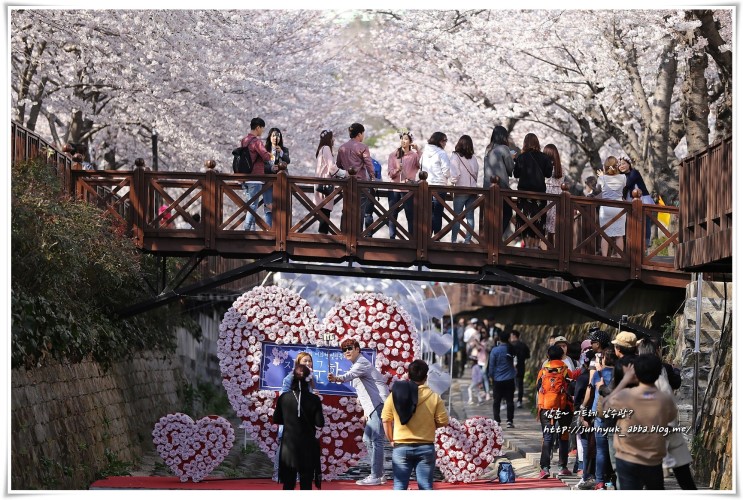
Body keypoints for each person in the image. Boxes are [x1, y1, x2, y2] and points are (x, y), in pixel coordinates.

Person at [604, 354, 678, 490]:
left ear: (635, 373)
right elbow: (671, 420)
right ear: (658, 374)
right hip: (653, 459)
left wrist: (624, 381)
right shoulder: (665, 399)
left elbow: (605, 406)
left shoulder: (625, 396)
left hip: (627, 457)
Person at [328, 338, 389, 486]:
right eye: (344, 350)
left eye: (350, 348)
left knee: (376, 440)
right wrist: (365, 410)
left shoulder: (361, 363)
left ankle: (375, 475)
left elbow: (348, 376)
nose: (347, 351)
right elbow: (363, 391)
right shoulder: (358, 364)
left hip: (378, 405)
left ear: (357, 349)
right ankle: (379, 474)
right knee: (368, 439)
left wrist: (336, 378)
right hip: (373, 406)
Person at [637, 337, 696, 489]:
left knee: (655, 481)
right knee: (682, 477)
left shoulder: (639, 374)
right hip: (664, 432)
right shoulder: (662, 372)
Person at [381, 359, 449, 490]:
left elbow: (385, 420)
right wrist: (429, 424)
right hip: (426, 446)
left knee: (400, 486)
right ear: (426, 377)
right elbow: (443, 421)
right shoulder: (434, 397)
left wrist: (391, 439)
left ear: (408, 375)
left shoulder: (395, 395)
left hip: (401, 446)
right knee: (425, 487)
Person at [273, 364, 324, 490]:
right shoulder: (314, 399)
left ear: (293, 378)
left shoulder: (284, 397)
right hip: (307, 445)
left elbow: (277, 419)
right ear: (309, 379)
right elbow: (319, 423)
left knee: (288, 483)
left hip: (288, 446)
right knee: (306, 482)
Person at [537, 344, 574, 479]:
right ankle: (562, 467)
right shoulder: (565, 371)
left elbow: (538, 388)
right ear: (561, 356)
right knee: (563, 436)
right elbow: (571, 389)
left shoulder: (543, 371)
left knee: (547, 437)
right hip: (563, 408)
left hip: (546, 407)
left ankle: (545, 468)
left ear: (548, 356)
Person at [513, 133, 553, 248]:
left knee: (524, 222)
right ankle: (535, 247)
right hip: (539, 196)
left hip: (524, 196)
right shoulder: (544, 157)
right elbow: (548, 174)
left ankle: (527, 246)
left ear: (525, 143)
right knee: (538, 223)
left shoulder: (521, 157)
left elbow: (516, 174)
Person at [336, 123, 375, 229]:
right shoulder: (363, 147)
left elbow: (338, 165)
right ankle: (357, 234)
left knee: (346, 208)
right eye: (363, 133)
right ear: (359, 134)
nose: (363, 136)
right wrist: (372, 177)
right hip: (360, 183)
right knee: (360, 210)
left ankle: (344, 232)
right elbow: (369, 164)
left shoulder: (341, 148)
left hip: (346, 183)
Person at [387, 130, 421, 239]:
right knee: (392, 215)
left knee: (410, 215)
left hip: (409, 189)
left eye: (406, 139)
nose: (403, 141)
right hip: (394, 188)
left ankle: (411, 238)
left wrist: (418, 150)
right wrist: (397, 170)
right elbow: (390, 173)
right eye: (402, 138)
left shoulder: (414, 155)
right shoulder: (393, 155)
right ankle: (392, 238)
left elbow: (422, 165)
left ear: (410, 141)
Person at [241, 117, 272, 231]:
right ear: (258, 127)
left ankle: (252, 228)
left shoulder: (244, 140)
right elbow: (265, 156)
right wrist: (270, 155)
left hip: (245, 176)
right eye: (262, 129)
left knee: (250, 202)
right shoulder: (256, 141)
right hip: (255, 177)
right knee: (253, 205)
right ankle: (247, 229)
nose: (262, 131)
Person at [483, 125, 515, 234]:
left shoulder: (488, 148)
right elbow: (511, 169)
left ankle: (488, 239)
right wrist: (512, 158)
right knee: (507, 212)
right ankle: (497, 236)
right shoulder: (504, 149)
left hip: (487, 187)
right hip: (501, 187)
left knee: (491, 214)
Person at [315, 130, 347, 234]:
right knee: (325, 212)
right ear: (328, 138)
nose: (333, 140)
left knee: (323, 212)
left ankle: (322, 236)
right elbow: (332, 168)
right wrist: (346, 174)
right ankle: (322, 238)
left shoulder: (321, 149)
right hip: (325, 184)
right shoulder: (327, 148)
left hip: (320, 183)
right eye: (332, 137)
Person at [449, 135, 480, 243]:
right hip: (472, 190)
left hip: (461, 190)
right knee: (470, 217)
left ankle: (453, 240)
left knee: (457, 216)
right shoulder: (474, 158)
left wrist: (451, 183)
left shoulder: (455, 156)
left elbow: (455, 175)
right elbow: (476, 173)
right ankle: (467, 241)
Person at [618, 157, 654, 247]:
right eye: (619, 165)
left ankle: (646, 242)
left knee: (645, 221)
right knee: (632, 221)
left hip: (642, 198)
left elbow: (628, 184)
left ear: (629, 164)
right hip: (630, 200)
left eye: (623, 163)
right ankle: (632, 242)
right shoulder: (621, 176)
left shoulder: (634, 172)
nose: (621, 166)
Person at [420, 132, 451, 237]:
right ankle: (436, 238)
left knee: (428, 213)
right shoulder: (441, 153)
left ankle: (426, 237)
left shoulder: (424, 152)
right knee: (437, 213)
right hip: (439, 186)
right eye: (444, 141)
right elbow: (446, 170)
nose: (445, 143)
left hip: (426, 186)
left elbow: (421, 167)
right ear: (439, 141)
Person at [597, 156, 627, 257]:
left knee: (604, 235)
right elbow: (623, 187)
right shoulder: (623, 177)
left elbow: (598, 188)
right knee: (619, 235)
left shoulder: (602, 178)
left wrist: (602, 175)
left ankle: (604, 257)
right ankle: (619, 258)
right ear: (617, 166)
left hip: (606, 208)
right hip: (619, 208)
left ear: (605, 167)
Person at [488, 329, 516, 428]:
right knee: (510, 400)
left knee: (496, 401)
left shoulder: (495, 350)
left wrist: (491, 376)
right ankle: (510, 421)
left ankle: (497, 420)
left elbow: (491, 365)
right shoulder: (511, 348)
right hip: (509, 378)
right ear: (508, 338)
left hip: (498, 379)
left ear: (499, 339)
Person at [262, 127, 290, 228]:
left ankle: (281, 231)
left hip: (281, 183)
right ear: (270, 137)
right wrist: (271, 169)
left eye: (277, 136)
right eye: (273, 135)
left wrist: (281, 152)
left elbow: (288, 161)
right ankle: (269, 230)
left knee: (282, 208)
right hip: (268, 182)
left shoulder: (284, 150)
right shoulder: (265, 150)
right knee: (269, 207)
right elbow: (262, 165)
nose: (275, 138)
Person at [542, 144, 565, 245]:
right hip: (558, 195)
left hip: (547, 193)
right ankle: (555, 250)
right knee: (554, 226)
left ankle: (545, 250)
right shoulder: (561, 167)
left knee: (544, 224)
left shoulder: (544, 166)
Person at [509, 330, 530, 408]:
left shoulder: (510, 346)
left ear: (514, 336)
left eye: (511, 336)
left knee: (511, 385)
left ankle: (510, 400)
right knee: (520, 385)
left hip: (511, 368)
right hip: (521, 367)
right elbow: (528, 356)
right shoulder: (523, 345)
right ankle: (519, 401)